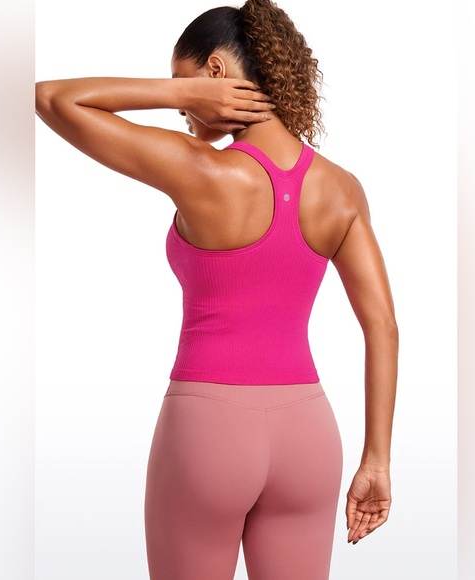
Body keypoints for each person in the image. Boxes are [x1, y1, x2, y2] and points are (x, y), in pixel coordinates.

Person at [35, 0, 399, 578]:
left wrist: (183, 95)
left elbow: (53, 98)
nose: (183, 111)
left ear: (215, 72)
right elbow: (382, 326)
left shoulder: (200, 170)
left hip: (207, 432)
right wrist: (376, 459)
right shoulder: (342, 190)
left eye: (182, 82)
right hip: (308, 436)